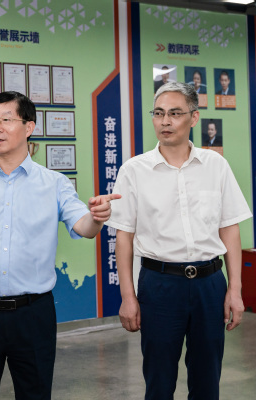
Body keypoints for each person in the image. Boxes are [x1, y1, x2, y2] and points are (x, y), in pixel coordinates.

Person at [0, 91, 120, 400]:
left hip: (33, 314)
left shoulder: (55, 183)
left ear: (29, 127)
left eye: (6, 120)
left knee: (35, 393)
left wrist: (97, 217)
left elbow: (84, 227)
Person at [107, 82, 251, 400]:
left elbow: (230, 228)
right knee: (159, 380)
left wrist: (235, 290)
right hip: (159, 285)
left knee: (207, 379)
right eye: (159, 113)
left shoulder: (216, 166)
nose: (165, 121)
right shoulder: (134, 170)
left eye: (175, 113)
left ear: (194, 117)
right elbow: (124, 238)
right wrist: (128, 297)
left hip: (210, 284)